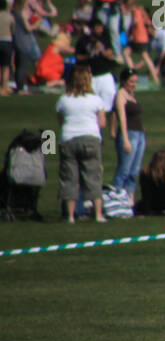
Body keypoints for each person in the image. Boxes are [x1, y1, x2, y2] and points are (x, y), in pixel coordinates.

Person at [56, 66, 108, 223]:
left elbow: (60, 121)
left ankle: (70, 216)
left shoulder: (64, 99)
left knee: (69, 179)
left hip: (68, 139)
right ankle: (98, 214)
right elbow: (102, 123)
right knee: (93, 177)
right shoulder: (96, 100)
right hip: (90, 138)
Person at [110, 69, 146, 196]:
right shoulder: (121, 94)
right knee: (124, 170)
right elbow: (121, 117)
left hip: (139, 134)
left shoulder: (131, 94)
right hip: (129, 134)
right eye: (131, 81)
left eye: (136, 81)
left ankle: (129, 201)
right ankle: (115, 196)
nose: (134, 84)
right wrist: (125, 139)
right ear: (124, 81)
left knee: (134, 171)